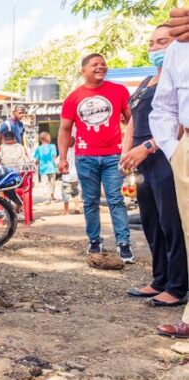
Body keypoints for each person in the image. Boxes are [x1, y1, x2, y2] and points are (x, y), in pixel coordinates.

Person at [120, 25, 186, 307]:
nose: (155, 48)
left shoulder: (179, 79)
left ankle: (177, 285)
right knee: (150, 221)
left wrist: (148, 148)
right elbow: (132, 122)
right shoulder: (148, 80)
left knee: (171, 223)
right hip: (139, 160)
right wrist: (125, 157)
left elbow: (180, 125)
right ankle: (159, 278)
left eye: (162, 42)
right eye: (151, 43)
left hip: (163, 155)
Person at [56, 53, 134, 263]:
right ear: (83, 71)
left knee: (116, 199)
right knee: (89, 201)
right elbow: (64, 129)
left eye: (103, 64)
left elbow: (132, 120)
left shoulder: (118, 90)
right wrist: (62, 157)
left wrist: (129, 149)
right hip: (85, 157)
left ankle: (123, 243)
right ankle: (94, 241)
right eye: (95, 64)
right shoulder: (73, 97)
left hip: (114, 156)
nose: (101, 67)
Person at [152, 21, 189, 338]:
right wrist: (175, 149)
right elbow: (163, 104)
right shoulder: (179, 48)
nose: (156, 47)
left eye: (158, 41)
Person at [34, 131, 58, 204]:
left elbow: (37, 159)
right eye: (49, 137)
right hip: (52, 168)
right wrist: (57, 165)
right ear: (47, 138)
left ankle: (47, 198)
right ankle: (52, 196)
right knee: (52, 183)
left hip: (43, 169)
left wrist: (34, 165)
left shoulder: (39, 148)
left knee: (45, 184)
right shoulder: (52, 146)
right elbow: (54, 157)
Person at [60, 137, 81, 215]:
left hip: (67, 176)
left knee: (65, 193)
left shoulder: (64, 153)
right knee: (75, 192)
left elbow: (58, 162)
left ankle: (66, 210)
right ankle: (77, 207)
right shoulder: (76, 152)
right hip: (75, 176)